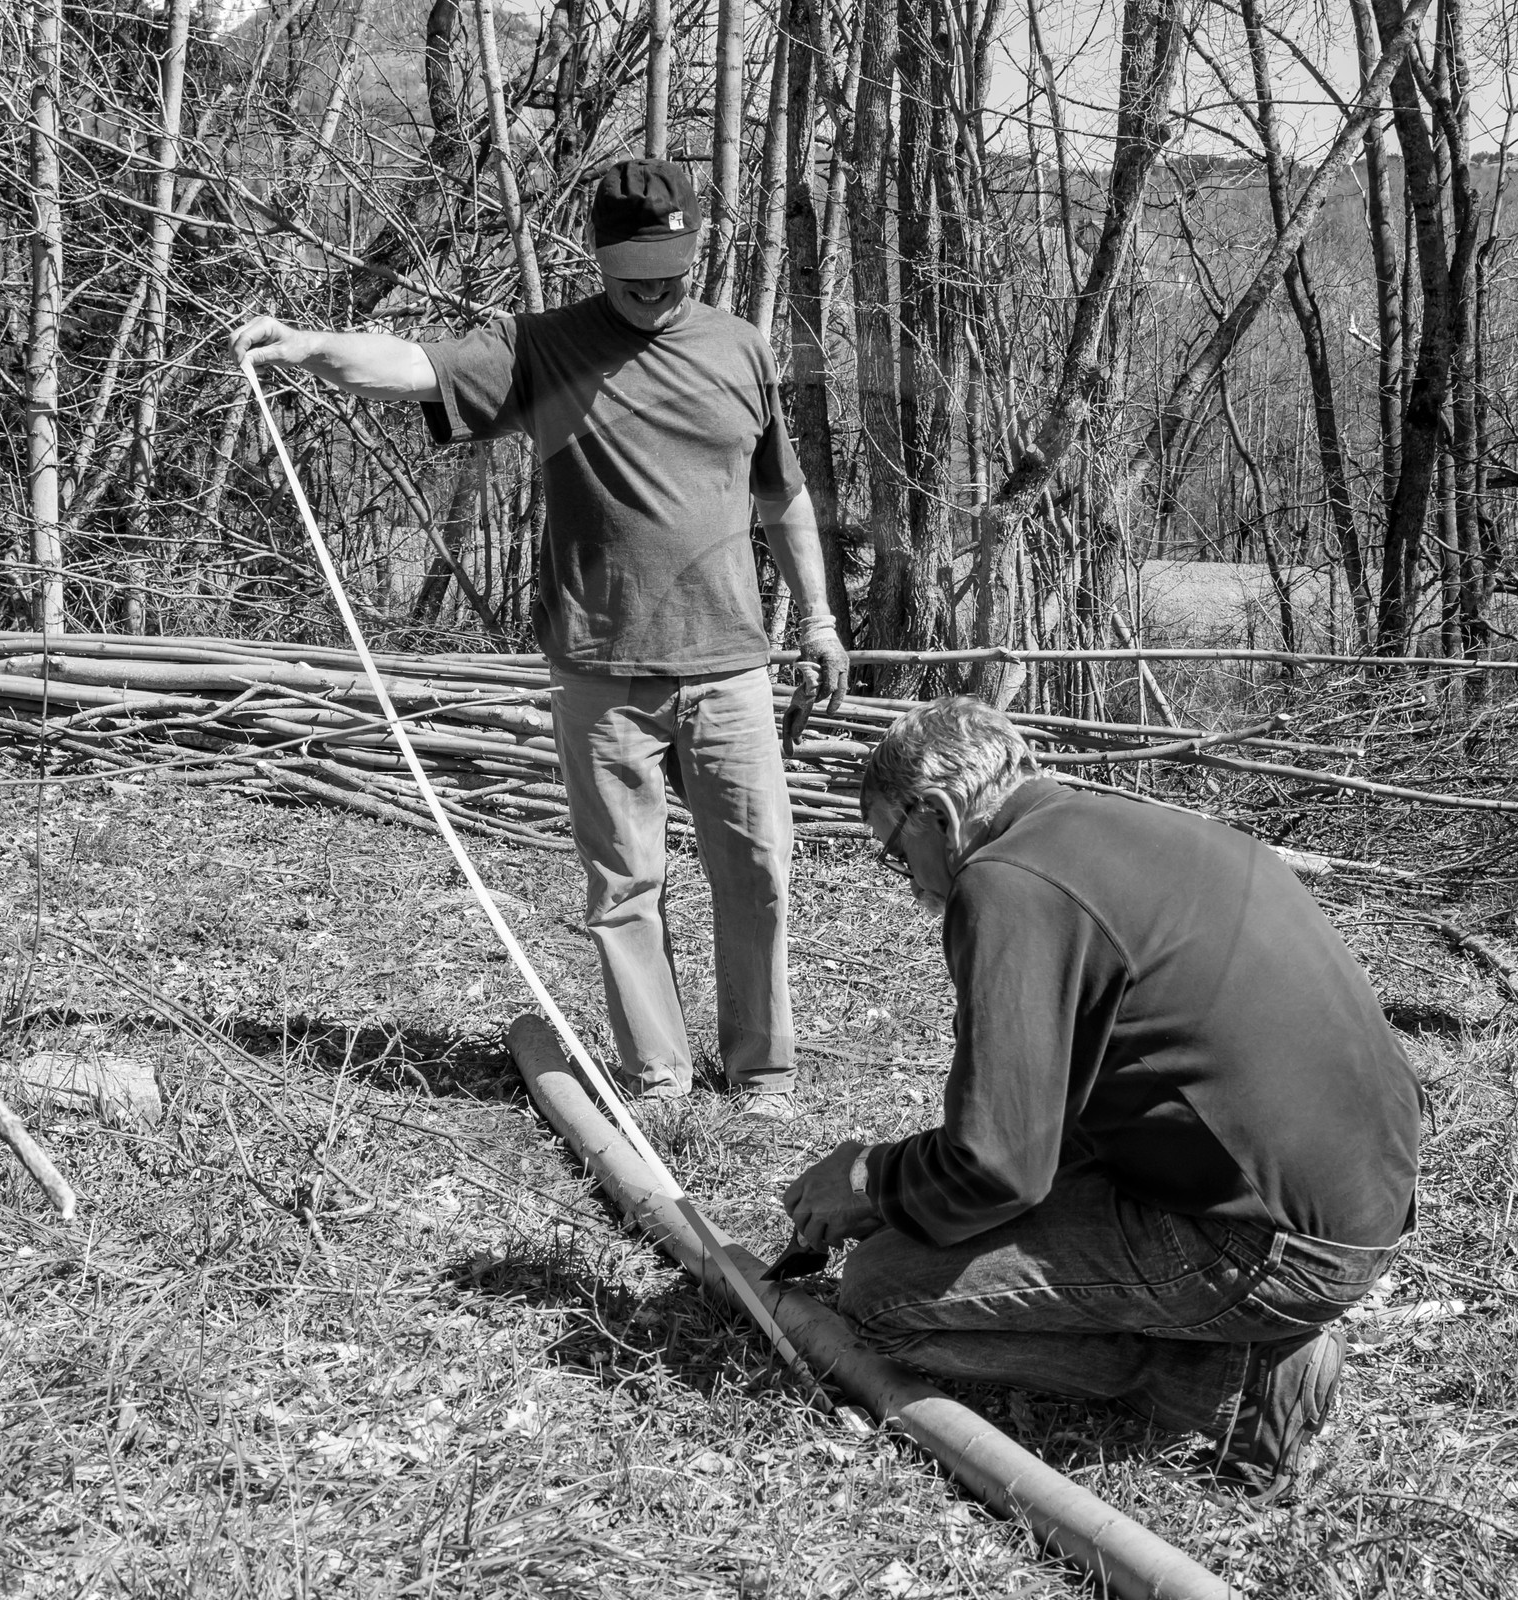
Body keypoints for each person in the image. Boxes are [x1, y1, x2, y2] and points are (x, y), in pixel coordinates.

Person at [231, 159, 847, 1117]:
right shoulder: (542, 349)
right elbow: (411, 365)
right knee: (624, 886)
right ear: (599, 257)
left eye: (674, 265)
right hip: (602, 669)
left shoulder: (741, 348)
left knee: (760, 870)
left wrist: (818, 617)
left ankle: (763, 1072)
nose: (656, 285)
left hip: (731, 664)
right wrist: (308, 344)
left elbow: (783, 495)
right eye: (636, 267)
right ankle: (659, 1077)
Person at [782, 697, 1422, 1497]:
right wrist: (905, 1187)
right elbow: (1055, 1115)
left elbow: (998, 1167)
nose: (904, 878)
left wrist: (874, 1182)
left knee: (880, 1292)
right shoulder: (1143, 830)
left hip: (1270, 1245)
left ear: (939, 815)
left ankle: (1231, 1387)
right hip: (1358, 1197)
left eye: (892, 853)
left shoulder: (1005, 882)